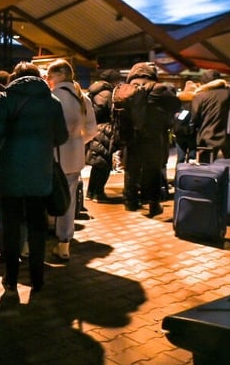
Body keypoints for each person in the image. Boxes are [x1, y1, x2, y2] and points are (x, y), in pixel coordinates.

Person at [0, 62, 68, 295]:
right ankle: (37, 279)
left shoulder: (6, 99)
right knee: (37, 225)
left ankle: (11, 277)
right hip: (41, 171)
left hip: (11, 171)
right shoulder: (52, 102)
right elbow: (61, 136)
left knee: (12, 225)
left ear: (14, 78)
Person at [46, 60, 97, 260]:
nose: (48, 80)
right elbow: (92, 130)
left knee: (44, 194)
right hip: (75, 155)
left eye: (50, 75)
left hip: (51, 154)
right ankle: (64, 243)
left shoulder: (50, 97)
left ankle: (44, 232)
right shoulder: (82, 98)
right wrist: (76, 141)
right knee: (68, 199)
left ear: (60, 75)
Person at [120, 62, 179, 216]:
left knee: (131, 169)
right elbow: (176, 105)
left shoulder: (125, 89)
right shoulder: (158, 88)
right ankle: (153, 203)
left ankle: (130, 202)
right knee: (152, 169)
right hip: (153, 136)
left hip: (131, 136)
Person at [84, 69, 121, 202]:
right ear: (113, 81)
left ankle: (90, 192)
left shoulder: (93, 92)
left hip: (95, 128)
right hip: (104, 129)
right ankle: (98, 193)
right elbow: (108, 112)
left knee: (97, 163)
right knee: (104, 164)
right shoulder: (107, 94)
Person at [191, 70, 230, 162]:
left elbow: (194, 118)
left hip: (207, 137)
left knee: (206, 168)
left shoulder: (199, 96)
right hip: (228, 137)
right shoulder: (229, 92)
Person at [173, 80, 197, 163]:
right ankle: (189, 174)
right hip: (192, 133)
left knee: (180, 158)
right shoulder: (196, 100)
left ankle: (178, 175)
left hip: (179, 132)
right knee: (192, 157)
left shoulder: (178, 100)